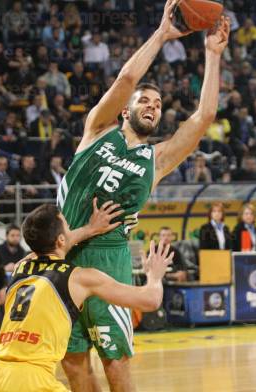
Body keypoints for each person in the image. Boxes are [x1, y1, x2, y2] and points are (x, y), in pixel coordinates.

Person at [57, 2, 229, 390]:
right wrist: (163, 34)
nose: (152, 108)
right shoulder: (98, 130)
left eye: (158, 105)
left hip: (109, 260)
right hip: (62, 252)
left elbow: (202, 118)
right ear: (125, 112)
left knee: (115, 365)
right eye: (145, 102)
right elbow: (126, 79)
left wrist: (213, 56)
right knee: (72, 364)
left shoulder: (158, 159)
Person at [0, 203, 171, 392]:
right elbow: (150, 300)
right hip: (32, 381)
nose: (72, 230)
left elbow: (48, 244)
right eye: (68, 226)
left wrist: (90, 228)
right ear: (60, 239)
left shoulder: (20, 267)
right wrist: (155, 276)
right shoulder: (79, 278)